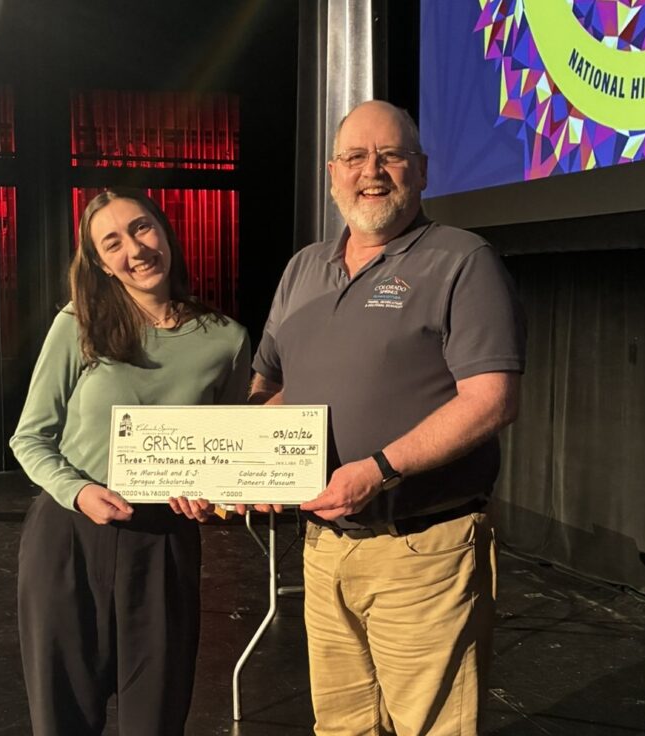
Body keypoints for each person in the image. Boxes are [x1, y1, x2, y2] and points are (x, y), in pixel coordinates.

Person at [247, 101, 526, 735]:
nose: (370, 171)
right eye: (354, 157)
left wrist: (378, 469)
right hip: (324, 547)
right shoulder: (302, 269)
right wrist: (243, 467)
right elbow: (274, 390)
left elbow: (492, 399)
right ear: (332, 174)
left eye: (390, 156)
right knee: (341, 728)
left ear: (421, 171)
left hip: (423, 551)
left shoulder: (463, 260)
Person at [10, 188, 250, 736]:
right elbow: (30, 438)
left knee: (156, 716)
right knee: (63, 719)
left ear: (164, 231)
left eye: (141, 228)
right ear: (99, 262)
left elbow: (227, 453)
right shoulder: (78, 324)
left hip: (165, 542)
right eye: (112, 242)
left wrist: (212, 496)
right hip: (70, 536)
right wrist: (78, 492)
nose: (135, 250)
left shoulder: (226, 340)